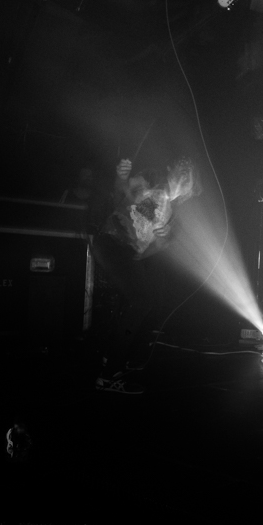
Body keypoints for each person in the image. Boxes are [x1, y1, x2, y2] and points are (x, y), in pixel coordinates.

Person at [90, 158, 180, 394]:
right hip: (112, 243)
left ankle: (116, 358)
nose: (187, 183)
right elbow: (121, 191)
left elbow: (151, 247)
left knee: (143, 301)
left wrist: (162, 237)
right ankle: (110, 373)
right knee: (142, 301)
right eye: (184, 175)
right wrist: (121, 176)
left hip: (126, 252)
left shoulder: (171, 210)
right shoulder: (150, 181)